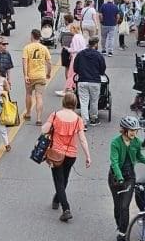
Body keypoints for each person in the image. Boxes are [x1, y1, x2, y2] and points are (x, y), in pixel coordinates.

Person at [41, 93, 91, 222]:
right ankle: (56, 199)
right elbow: (82, 139)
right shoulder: (78, 119)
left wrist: (50, 126)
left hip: (56, 154)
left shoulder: (55, 115)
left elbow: (44, 130)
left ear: (63, 102)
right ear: (75, 104)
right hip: (71, 155)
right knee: (65, 179)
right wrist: (87, 156)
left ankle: (66, 209)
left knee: (59, 181)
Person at [109, 116, 145, 241]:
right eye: (131, 130)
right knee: (117, 207)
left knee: (124, 206)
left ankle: (122, 237)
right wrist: (119, 177)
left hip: (129, 178)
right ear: (124, 130)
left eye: (135, 130)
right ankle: (120, 225)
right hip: (115, 178)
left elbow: (139, 156)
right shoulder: (115, 143)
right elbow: (114, 162)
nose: (134, 133)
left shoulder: (136, 142)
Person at [73, 37, 106, 127]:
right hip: (95, 81)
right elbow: (102, 70)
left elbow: (75, 68)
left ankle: (84, 122)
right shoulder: (99, 55)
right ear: (96, 44)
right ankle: (93, 119)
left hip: (82, 80)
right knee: (94, 100)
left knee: (84, 101)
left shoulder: (80, 54)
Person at [22, 29, 52, 125]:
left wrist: (25, 75)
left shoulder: (27, 48)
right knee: (39, 96)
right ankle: (39, 118)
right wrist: (48, 73)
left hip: (31, 75)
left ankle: (28, 113)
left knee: (29, 94)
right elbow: (49, 62)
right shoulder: (44, 48)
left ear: (32, 36)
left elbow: (25, 63)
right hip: (41, 75)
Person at [64, 23, 87, 94]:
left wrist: (67, 49)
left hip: (75, 57)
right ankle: (74, 87)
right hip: (81, 57)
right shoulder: (81, 36)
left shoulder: (75, 37)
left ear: (74, 29)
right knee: (76, 73)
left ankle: (68, 88)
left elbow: (75, 49)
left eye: (71, 29)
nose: (70, 30)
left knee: (71, 73)